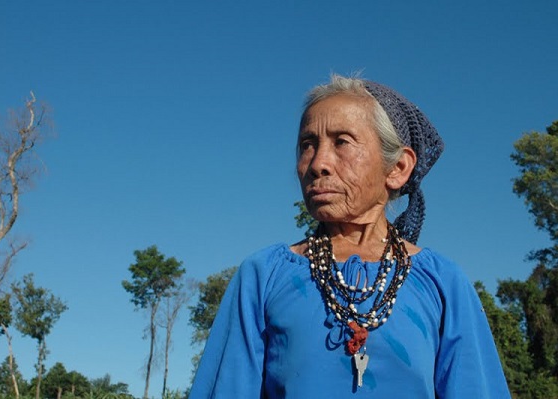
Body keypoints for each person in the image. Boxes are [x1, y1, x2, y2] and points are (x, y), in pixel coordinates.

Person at [189, 75, 510, 398]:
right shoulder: (264, 276)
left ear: (398, 167)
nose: (318, 163)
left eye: (341, 142)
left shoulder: (443, 282)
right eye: (307, 145)